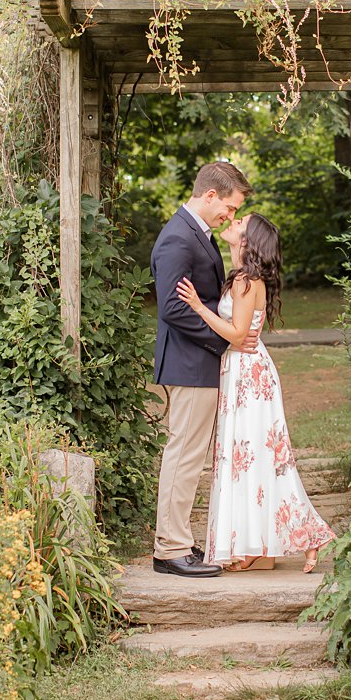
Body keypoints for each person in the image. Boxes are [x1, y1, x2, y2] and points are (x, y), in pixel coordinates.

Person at [175, 213, 336, 573]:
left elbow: (236, 335)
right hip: (241, 373)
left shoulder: (247, 282)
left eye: (241, 221)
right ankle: (252, 545)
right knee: (246, 462)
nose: (232, 221)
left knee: (256, 459)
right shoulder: (240, 278)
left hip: (249, 377)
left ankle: (308, 535)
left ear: (248, 240)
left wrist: (198, 307)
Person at [149, 161, 258, 578]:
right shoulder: (178, 238)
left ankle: (177, 539)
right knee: (184, 455)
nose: (230, 217)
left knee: (191, 457)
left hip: (198, 361)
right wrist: (225, 339)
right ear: (211, 195)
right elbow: (173, 308)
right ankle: (169, 549)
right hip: (190, 362)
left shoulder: (198, 233)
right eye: (229, 208)